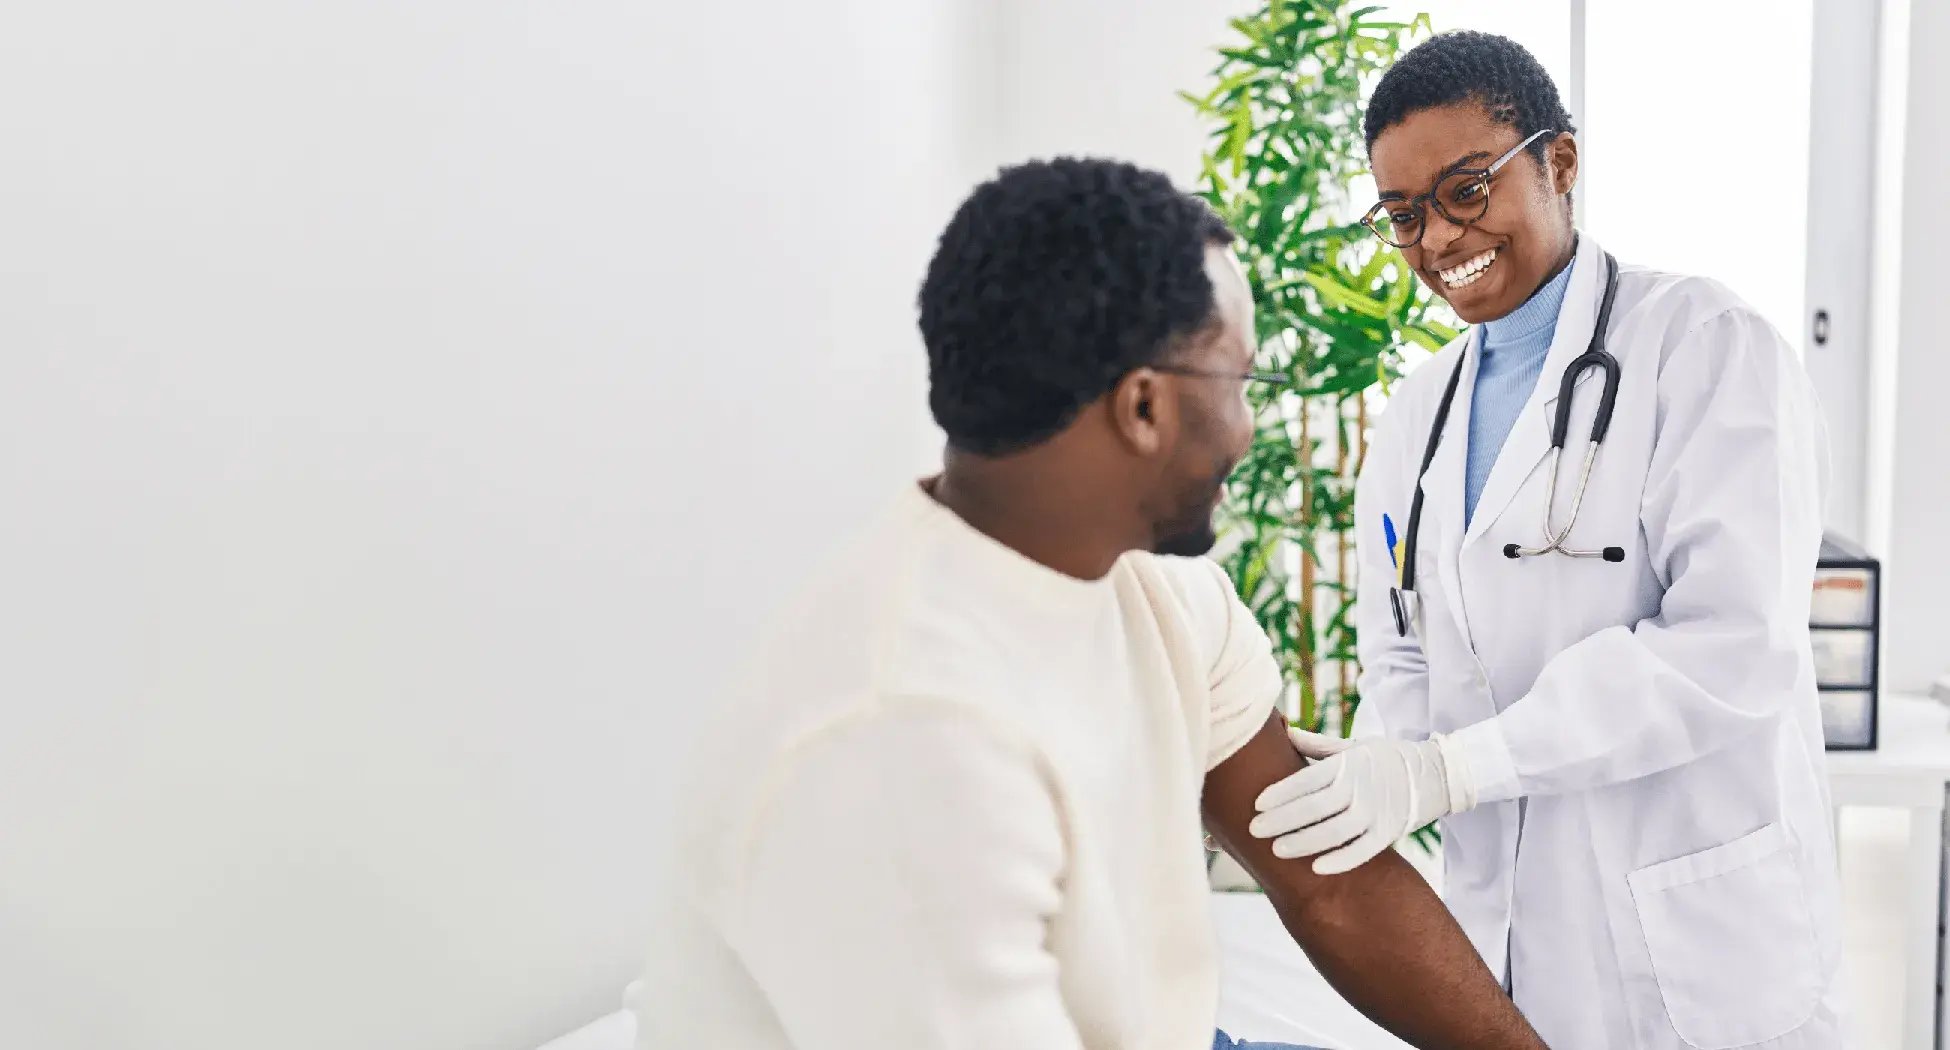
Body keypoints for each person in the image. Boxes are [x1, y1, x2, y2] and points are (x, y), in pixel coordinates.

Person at [636, 157, 1545, 1049]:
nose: (1250, 427)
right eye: (1243, 383)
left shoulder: (1163, 590)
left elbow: (1328, 882)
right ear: (1142, 408)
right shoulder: (908, 735)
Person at [1246, 30, 1846, 1049]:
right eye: (1402, 215)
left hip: (1699, 947)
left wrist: (1462, 768)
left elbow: (1730, 648)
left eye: (1466, 189)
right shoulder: (1418, 414)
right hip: (1507, 942)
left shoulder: (1705, 347)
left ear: (1558, 163)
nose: (1437, 239)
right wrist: (1393, 760)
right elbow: (1399, 643)